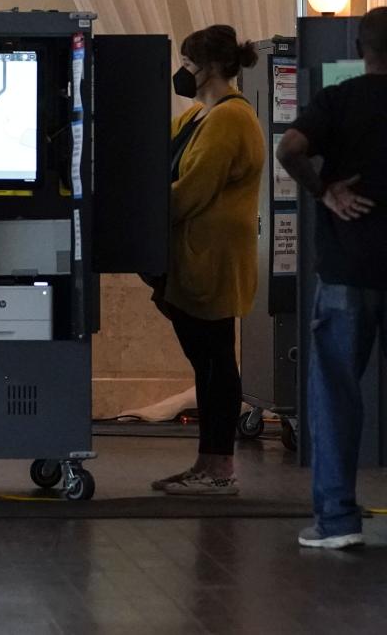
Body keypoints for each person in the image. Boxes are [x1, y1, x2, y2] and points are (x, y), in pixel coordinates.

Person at [276, 6, 387, 549]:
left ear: (360, 48)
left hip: (346, 272)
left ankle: (337, 520)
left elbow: (289, 150)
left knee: (336, 393)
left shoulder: (335, 102)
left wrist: (326, 193)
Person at [149, 25, 264, 496]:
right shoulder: (198, 116)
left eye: (188, 62)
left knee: (215, 365)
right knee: (207, 363)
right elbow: (156, 162)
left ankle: (219, 469)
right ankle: (207, 463)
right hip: (191, 259)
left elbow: (190, 192)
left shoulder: (230, 119)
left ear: (211, 68)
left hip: (210, 262)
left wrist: (145, 207)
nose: (183, 71)